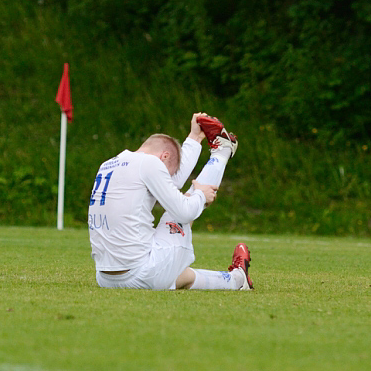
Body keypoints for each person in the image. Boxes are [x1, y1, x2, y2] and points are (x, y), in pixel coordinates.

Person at [87, 113, 252, 290]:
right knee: (185, 203)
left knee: (181, 276)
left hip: (105, 278)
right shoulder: (149, 162)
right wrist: (201, 195)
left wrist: (194, 138)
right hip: (142, 273)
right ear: (164, 156)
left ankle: (238, 279)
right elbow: (184, 211)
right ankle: (223, 150)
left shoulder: (108, 164)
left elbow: (173, 184)